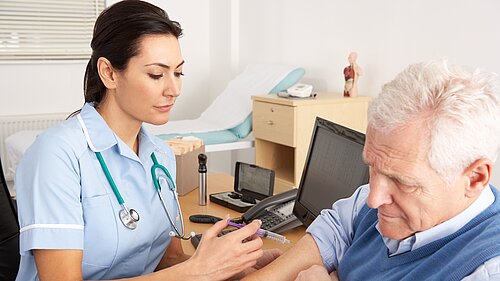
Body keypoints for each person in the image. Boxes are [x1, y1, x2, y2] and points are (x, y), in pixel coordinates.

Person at [14, 1, 280, 280]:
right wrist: (198, 271)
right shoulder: (56, 156)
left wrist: (234, 267)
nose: (174, 89)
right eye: (156, 74)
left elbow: (171, 260)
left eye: (178, 73)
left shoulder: (160, 156)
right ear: (109, 73)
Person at [243, 60, 500, 281]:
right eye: (373, 168)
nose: (373, 198)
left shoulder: (487, 269)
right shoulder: (376, 196)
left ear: (474, 178)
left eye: (403, 183)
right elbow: (331, 233)